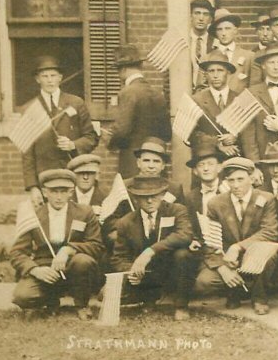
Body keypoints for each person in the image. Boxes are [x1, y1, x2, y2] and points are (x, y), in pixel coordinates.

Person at [10, 169, 103, 320]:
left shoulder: (84, 212)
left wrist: (69, 249)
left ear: (71, 192)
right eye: (54, 191)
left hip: (73, 265)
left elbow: (96, 245)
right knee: (23, 297)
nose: (59, 197)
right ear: (45, 192)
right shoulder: (34, 216)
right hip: (45, 268)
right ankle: (51, 301)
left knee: (83, 261)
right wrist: (35, 270)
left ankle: (81, 304)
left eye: (64, 191)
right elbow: (17, 253)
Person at [194, 157, 278, 315]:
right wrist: (222, 267)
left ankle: (259, 297)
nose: (236, 185)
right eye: (231, 180)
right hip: (228, 259)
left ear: (251, 178)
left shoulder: (266, 199)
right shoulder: (215, 203)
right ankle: (234, 293)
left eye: (241, 179)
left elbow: (269, 232)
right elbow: (210, 240)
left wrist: (238, 246)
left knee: (269, 253)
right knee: (204, 282)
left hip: (254, 253)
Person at [110, 175, 200, 321]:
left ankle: (181, 306)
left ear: (163, 195)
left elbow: (184, 235)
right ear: (136, 199)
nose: (150, 201)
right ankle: (148, 299)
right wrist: (131, 271)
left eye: (154, 196)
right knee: (105, 295)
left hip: (171, 269)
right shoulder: (125, 222)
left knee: (183, 254)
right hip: (145, 273)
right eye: (144, 197)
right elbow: (119, 257)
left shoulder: (177, 210)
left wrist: (150, 252)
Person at [22, 56, 98, 207]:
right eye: (45, 76)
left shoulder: (76, 103)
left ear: (60, 78)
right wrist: (33, 187)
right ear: (38, 79)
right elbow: (27, 152)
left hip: (72, 175)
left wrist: (73, 145)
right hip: (45, 179)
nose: (49, 80)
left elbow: (91, 137)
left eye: (53, 76)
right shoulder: (30, 108)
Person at [102, 137, 187, 244]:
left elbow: (182, 219)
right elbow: (110, 220)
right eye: (146, 161)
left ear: (163, 166)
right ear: (138, 163)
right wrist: (130, 228)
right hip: (131, 241)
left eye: (156, 161)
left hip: (163, 242)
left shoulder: (174, 189)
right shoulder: (124, 187)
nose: (151, 166)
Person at [107, 46, 171, 178]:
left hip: (133, 161)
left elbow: (122, 130)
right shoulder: (158, 94)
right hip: (156, 160)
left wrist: (111, 141)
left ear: (123, 70)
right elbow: (166, 133)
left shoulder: (128, 92)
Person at [190, 49, 241, 156]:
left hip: (235, 157)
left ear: (228, 73)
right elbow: (192, 133)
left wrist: (235, 136)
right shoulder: (196, 100)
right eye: (211, 71)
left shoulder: (239, 99)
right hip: (207, 158)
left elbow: (249, 129)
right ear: (206, 75)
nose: (215, 75)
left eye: (220, 70)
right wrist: (216, 143)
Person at [183, 137, 227, 252]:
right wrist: (193, 239)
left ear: (219, 167)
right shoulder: (191, 197)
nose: (206, 169)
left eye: (210, 164)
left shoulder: (228, 190)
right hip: (203, 247)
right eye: (201, 165)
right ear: (195, 171)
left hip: (227, 245)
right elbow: (189, 226)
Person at [207, 8, 253, 94]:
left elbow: (254, 87)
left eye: (227, 28)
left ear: (235, 30)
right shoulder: (207, 58)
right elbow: (201, 88)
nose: (223, 33)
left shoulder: (249, 57)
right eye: (219, 29)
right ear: (215, 33)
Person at [189, 0, 215, 89]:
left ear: (210, 19)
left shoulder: (216, 43)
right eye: (197, 13)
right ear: (190, 16)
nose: (201, 18)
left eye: (205, 14)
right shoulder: (182, 41)